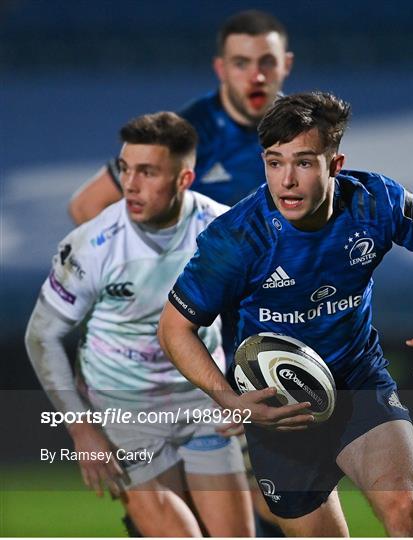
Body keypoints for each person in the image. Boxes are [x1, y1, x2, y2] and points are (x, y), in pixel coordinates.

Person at [158, 92, 413, 537]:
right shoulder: (237, 239)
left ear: (334, 164)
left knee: (405, 511)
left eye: (303, 162)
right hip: (279, 408)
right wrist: (230, 399)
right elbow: (174, 328)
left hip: (358, 381)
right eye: (274, 162)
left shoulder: (375, 201)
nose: (287, 181)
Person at [25, 112, 254, 537]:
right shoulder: (92, 245)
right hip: (123, 409)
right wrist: (83, 432)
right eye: (126, 169)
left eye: (147, 172)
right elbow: (42, 336)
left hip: (202, 401)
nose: (130, 184)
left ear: (185, 179)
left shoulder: (223, 230)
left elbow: (264, 307)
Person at [68, 10, 294, 223]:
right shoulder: (184, 134)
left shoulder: (307, 131)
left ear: (286, 64)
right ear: (221, 69)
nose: (257, 77)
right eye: (241, 64)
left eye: (267, 62)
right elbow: (87, 205)